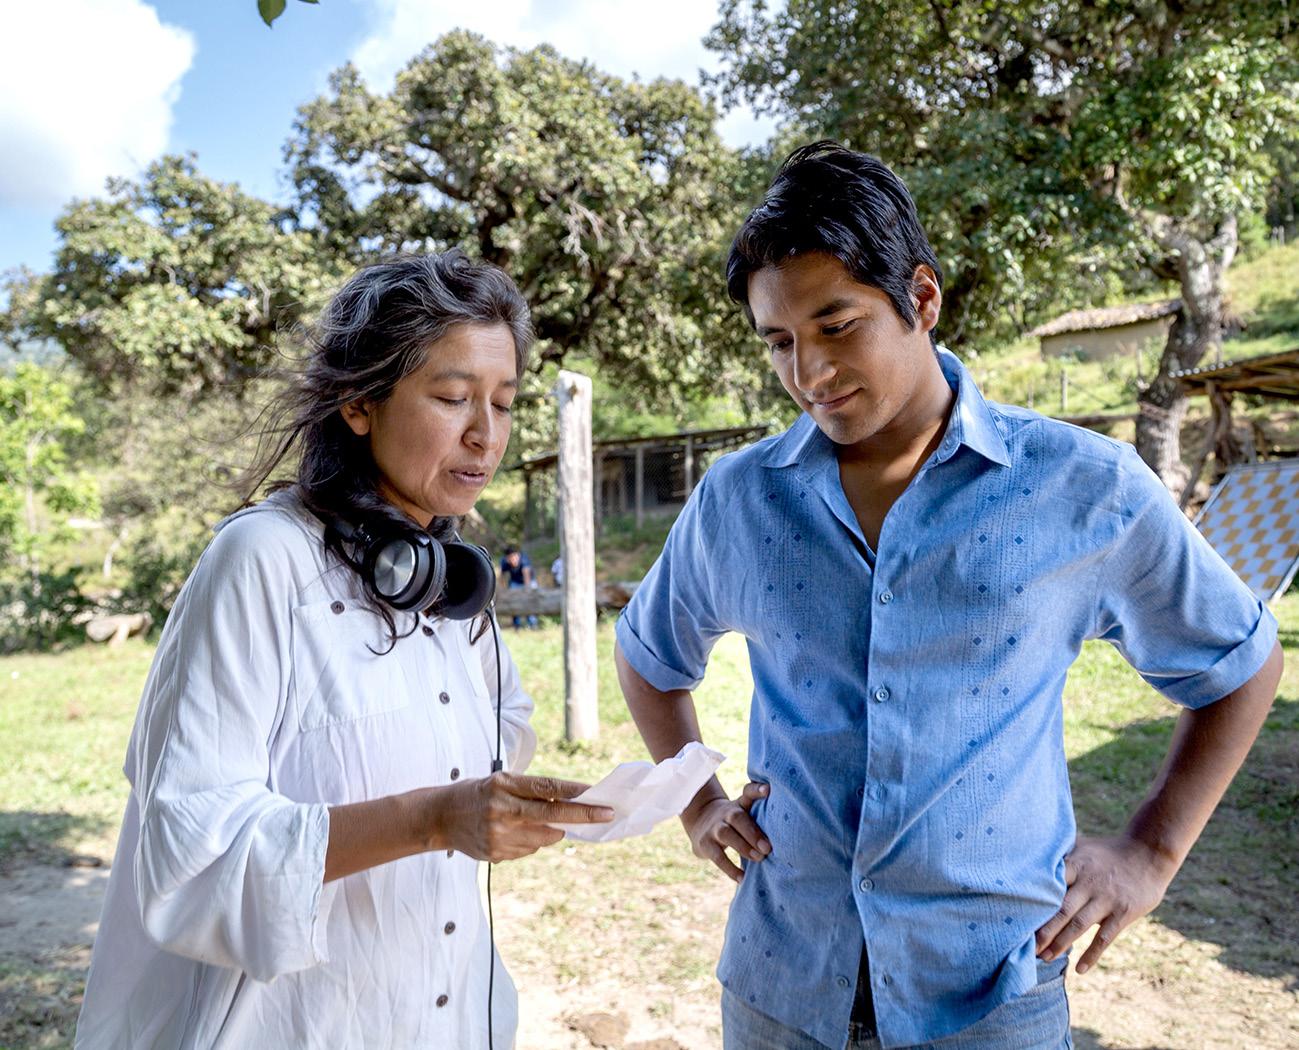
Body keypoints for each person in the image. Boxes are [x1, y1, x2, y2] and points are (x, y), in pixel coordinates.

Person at [614, 142, 1281, 1050]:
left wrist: (1150, 852)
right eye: (779, 341)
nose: (808, 372)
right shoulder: (739, 500)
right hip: (781, 988)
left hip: (989, 999)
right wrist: (697, 802)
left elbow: (1240, 663)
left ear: (921, 299)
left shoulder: (1084, 487)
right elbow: (648, 656)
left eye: (836, 325)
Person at [75, 252, 613, 1050]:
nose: (485, 434)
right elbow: (191, 849)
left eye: (503, 403)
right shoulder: (261, 561)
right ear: (359, 403)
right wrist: (433, 818)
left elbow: (499, 733)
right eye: (453, 398)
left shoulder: (449, 577)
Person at [500, 545, 539, 629]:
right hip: (515, 582)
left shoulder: (524, 559)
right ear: (507, 558)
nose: (513, 560)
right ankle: (516, 624)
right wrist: (503, 591)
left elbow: (526, 576)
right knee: (513, 601)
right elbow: (503, 577)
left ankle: (533, 623)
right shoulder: (504, 562)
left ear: (518, 555)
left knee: (529, 601)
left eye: (514, 557)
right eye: (510, 558)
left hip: (529, 581)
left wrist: (527, 591)